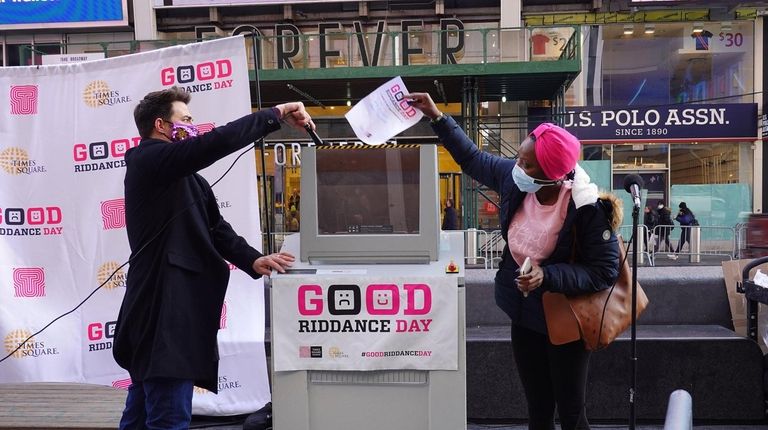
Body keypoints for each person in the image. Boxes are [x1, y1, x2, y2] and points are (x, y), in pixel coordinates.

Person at [407, 93, 620, 430]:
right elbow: (473, 159)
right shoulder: (515, 179)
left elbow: (603, 271)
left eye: (526, 163)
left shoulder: (587, 209)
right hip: (524, 316)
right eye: (518, 157)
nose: (517, 166)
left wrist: (547, 276)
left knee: (570, 414)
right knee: (537, 411)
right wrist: (437, 117)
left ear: (551, 174)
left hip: (566, 320)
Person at [113, 86, 314, 430]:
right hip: (162, 309)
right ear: (161, 126)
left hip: (172, 309)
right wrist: (275, 113)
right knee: (167, 415)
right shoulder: (148, 160)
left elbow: (215, 227)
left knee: (143, 410)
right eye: (186, 120)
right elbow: (214, 143)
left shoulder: (188, 178)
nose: (193, 126)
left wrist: (252, 259)